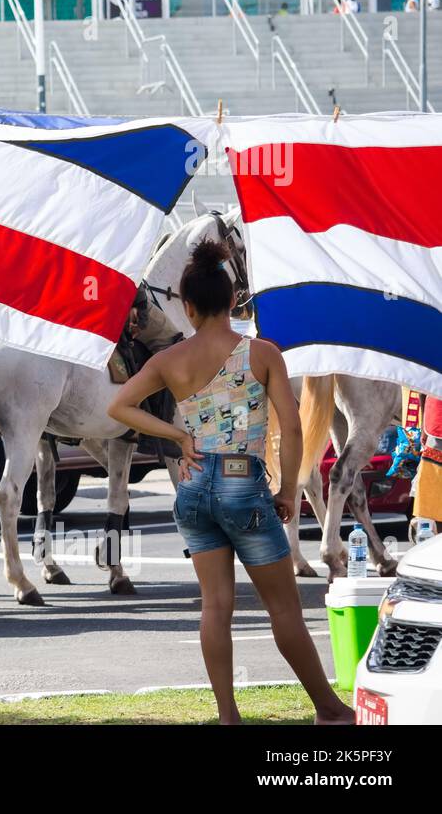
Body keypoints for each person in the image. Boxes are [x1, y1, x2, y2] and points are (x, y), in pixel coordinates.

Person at [107, 241, 355, 726]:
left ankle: (228, 716)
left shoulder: (168, 361)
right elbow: (295, 425)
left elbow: (118, 407)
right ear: (233, 298)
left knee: (215, 606)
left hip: (193, 486)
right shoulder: (261, 353)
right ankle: (328, 709)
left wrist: (179, 434)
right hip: (244, 482)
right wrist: (287, 490)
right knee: (283, 609)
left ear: (189, 306)